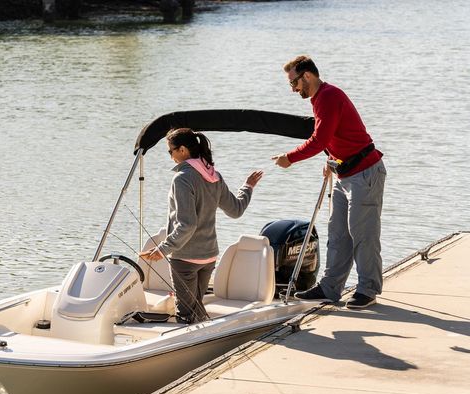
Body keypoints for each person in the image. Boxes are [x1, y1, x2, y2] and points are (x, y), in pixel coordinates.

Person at [272, 55, 386, 309]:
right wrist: (331, 160)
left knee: (362, 234)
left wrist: (290, 158)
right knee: (337, 233)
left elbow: (319, 140)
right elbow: (335, 136)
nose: (293, 89)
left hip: (365, 173)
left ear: (308, 76)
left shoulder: (329, 96)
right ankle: (330, 288)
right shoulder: (319, 98)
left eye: (294, 83)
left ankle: (368, 289)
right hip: (344, 172)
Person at [140, 128, 264, 323]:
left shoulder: (182, 178)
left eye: (170, 151)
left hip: (185, 259)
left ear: (182, 150)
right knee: (196, 310)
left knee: (187, 315)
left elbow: (187, 225)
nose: (170, 156)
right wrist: (247, 187)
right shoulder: (214, 176)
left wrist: (162, 249)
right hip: (208, 257)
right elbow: (236, 210)